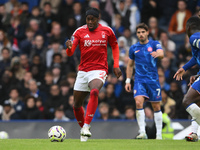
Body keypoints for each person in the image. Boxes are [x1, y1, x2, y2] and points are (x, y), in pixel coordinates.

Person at [65, 7, 122, 142]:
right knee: (77, 105)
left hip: (99, 69)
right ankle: (83, 130)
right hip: (83, 71)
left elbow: (114, 45)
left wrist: (116, 65)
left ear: (98, 19)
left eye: (93, 19)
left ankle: (86, 126)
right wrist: (68, 48)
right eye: (88, 19)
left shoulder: (107, 31)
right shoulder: (79, 32)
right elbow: (70, 52)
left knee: (95, 91)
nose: (90, 22)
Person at [125, 23, 164, 139]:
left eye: (143, 32)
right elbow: (130, 65)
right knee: (138, 102)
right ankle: (142, 132)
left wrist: (158, 54)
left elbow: (161, 54)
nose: (141, 34)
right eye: (138, 32)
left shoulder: (154, 43)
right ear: (136, 34)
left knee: (156, 107)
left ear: (147, 32)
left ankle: (159, 135)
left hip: (153, 80)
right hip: (139, 80)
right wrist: (127, 80)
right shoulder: (134, 48)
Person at [173, 16, 200, 142]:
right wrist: (185, 68)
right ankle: (194, 133)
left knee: (187, 101)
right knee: (197, 102)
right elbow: (196, 57)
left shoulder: (194, 37)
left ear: (188, 28)